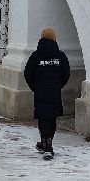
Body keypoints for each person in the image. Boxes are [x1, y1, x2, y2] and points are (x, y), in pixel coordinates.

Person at [23, 27, 72, 159]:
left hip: (40, 92)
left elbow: (28, 73)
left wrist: (35, 87)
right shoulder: (61, 56)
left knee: (43, 118)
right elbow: (66, 74)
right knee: (51, 118)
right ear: (55, 38)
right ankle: (48, 142)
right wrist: (57, 85)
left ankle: (45, 143)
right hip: (54, 93)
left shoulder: (35, 56)